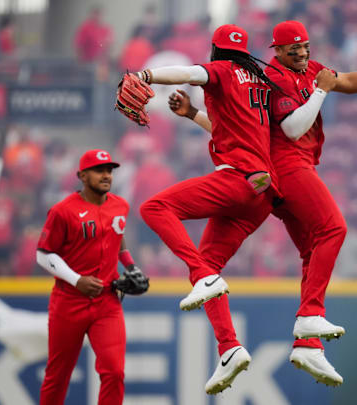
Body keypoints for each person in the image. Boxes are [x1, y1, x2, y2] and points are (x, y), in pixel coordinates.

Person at [168, 20, 357, 386]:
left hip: (265, 175)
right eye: (294, 49)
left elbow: (350, 81)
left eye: (305, 47)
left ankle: (295, 345)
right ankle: (308, 319)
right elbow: (290, 130)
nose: (302, 53)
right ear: (277, 51)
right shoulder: (275, 78)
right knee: (333, 228)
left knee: (306, 250)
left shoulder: (310, 71)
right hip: (285, 167)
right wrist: (321, 93)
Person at [130, 24, 283, 394]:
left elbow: (187, 73)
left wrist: (145, 74)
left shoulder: (222, 70)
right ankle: (230, 348)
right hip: (262, 192)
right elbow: (229, 129)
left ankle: (201, 274)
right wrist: (191, 114)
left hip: (239, 179)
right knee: (210, 266)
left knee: (153, 207)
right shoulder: (258, 80)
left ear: (216, 51)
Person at [36, 149, 146, 405]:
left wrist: (131, 267)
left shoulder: (120, 205)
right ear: (82, 176)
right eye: (99, 170)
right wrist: (76, 280)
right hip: (68, 301)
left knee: (114, 372)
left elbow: (116, 235)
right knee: (58, 375)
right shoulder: (62, 210)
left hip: (107, 302)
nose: (106, 175)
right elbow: (43, 255)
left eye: (109, 170)